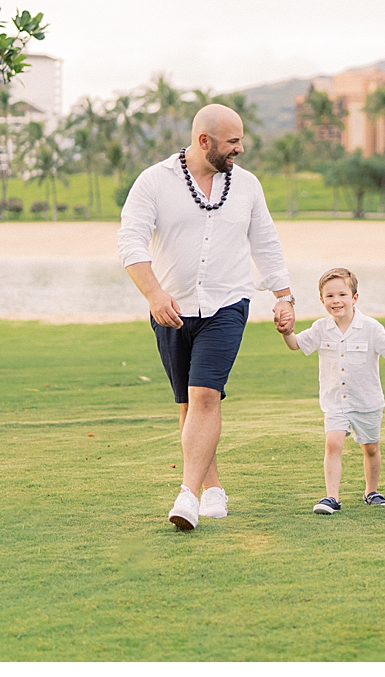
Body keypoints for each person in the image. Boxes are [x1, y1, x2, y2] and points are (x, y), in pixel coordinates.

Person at [117, 103, 297, 531]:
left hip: (228, 304)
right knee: (187, 406)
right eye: (232, 141)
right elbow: (130, 243)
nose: (240, 148)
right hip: (171, 307)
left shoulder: (248, 186)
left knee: (204, 397)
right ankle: (214, 488)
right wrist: (155, 293)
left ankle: (187, 497)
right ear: (204, 141)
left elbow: (266, 243)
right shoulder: (154, 182)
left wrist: (284, 296)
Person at [279, 267, 385, 514]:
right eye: (329, 296)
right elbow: (296, 344)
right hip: (335, 402)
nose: (336, 301)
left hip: (367, 401)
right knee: (333, 443)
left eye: (341, 294)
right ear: (322, 300)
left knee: (370, 448)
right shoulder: (320, 328)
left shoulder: (370, 328)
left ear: (354, 297)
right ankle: (332, 498)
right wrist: (287, 332)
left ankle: (371, 491)